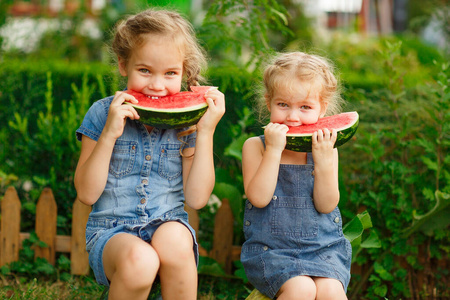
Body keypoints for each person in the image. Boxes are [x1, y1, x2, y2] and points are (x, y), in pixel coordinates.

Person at [74, 8, 225, 300]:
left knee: (175, 240)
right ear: (123, 65)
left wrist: (204, 131)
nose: (157, 85)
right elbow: (87, 194)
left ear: (183, 71)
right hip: (111, 235)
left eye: (170, 73)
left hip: (169, 223)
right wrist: (109, 134)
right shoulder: (101, 114)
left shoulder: (188, 123)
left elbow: (197, 199)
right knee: (140, 261)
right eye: (144, 71)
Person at [240, 52, 351, 300]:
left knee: (332, 291)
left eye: (305, 107)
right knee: (301, 288)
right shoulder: (255, 147)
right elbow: (258, 198)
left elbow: (326, 205)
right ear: (269, 103)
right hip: (272, 252)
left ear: (322, 109)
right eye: (283, 105)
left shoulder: (326, 151)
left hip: (323, 249)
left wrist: (322, 163)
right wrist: (274, 151)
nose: (292, 117)